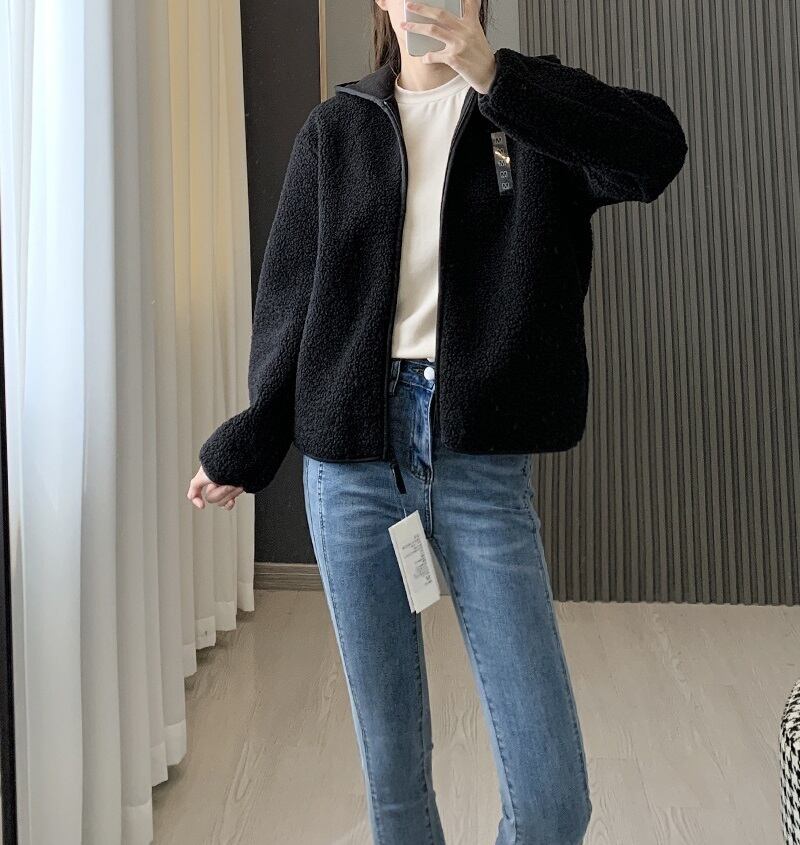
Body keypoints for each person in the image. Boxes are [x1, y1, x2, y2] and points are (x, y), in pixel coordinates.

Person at [187, 1, 687, 841]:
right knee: (394, 784)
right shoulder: (335, 132)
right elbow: (290, 306)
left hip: (477, 463)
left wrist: (498, 79)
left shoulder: (529, 110)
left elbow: (655, 152)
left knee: (553, 800)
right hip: (351, 467)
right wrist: (247, 441)